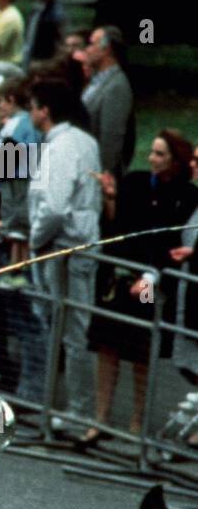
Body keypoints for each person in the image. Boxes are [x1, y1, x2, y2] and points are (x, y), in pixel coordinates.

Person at [84, 130, 198, 444]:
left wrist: (151, 275)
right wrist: (110, 198)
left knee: (141, 347)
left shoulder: (186, 195)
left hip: (151, 281)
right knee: (106, 345)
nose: (153, 159)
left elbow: (174, 242)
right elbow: (116, 225)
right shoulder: (134, 182)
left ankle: (138, 422)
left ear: (175, 160)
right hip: (121, 276)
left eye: (161, 154)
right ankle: (100, 418)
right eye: (153, 152)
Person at [27, 78, 102, 435]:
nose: (30, 113)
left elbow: (54, 207)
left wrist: (35, 240)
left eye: (33, 106)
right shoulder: (83, 141)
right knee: (70, 331)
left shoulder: (62, 148)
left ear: (44, 110)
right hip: (77, 244)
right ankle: (70, 409)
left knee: (70, 332)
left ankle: (78, 414)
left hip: (65, 248)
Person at [76, 25, 135, 185]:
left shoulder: (116, 87)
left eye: (91, 44)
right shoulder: (97, 81)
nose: (87, 49)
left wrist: (100, 179)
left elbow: (111, 142)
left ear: (106, 50)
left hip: (97, 178)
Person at [23, 0, 64, 69]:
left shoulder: (56, 14)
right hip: (29, 64)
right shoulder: (36, 9)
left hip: (43, 68)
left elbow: (60, 46)